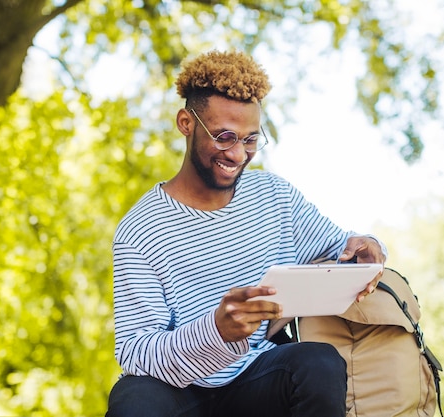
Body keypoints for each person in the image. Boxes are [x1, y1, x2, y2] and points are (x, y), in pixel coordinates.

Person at [106, 50, 387, 417]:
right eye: (224, 137)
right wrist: (215, 332)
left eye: (250, 139)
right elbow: (135, 350)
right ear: (186, 123)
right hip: (177, 390)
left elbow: (342, 245)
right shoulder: (140, 230)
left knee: (319, 362)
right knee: (132, 400)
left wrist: (370, 247)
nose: (238, 154)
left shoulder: (275, 197)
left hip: (257, 376)